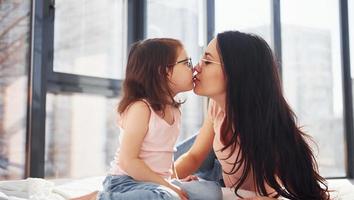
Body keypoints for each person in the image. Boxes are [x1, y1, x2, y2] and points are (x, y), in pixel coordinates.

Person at [174, 31, 331, 200]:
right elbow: (194, 156)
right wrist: (165, 182)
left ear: (235, 71)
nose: (196, 67)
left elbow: (289, 193)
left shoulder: (267, 128)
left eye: (207, 61)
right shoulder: (216, 108)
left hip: (237, 185)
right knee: (158, 171)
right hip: (220, 174)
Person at [74, 38, 222, 200]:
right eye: (187, 63)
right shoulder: (141, 109)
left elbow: (167, 155)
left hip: (156, 182)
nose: (194, 68)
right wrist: (168, 186)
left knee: (211, 193)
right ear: (163, 71)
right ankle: (100, 197)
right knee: (165, 197)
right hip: (127, 182)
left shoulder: (174, 111)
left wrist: (175, 181)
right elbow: (128, 161)